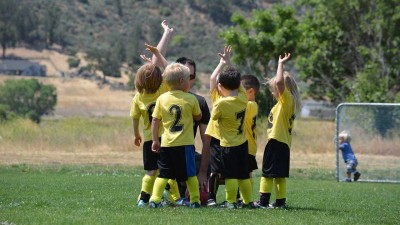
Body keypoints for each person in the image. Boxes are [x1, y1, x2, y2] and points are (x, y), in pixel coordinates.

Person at [131, 21, 181, 207]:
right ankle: (176, 198)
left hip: (147, 139)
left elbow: (135, 117)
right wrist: (161, 45)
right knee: (169, 170)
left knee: (150, 171)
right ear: (160, 79)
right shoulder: (163, 89)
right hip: (165, 138)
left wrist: (136, 134)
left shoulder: (139, 96)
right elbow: (167, 69)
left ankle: (143, 199)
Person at [206, 45, 255, 209]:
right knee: (243, 175)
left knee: (230, 176)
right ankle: (248, 202)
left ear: (220, 86)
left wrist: (223, 64)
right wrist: (227, 63)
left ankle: (230, 202)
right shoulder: (243, 97)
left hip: (227, 145)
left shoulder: (219, 103)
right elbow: (236, 83)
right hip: (243, 143)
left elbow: (214, 117)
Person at [149, 63, 202, 208]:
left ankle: (154, 200)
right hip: (185, 145)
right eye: (188, 79)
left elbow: (155, 120)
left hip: (167, 144)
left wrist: (155, 140)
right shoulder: (191, 99)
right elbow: (198, 117)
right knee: (190, 174)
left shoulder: (162, 99)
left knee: (164, 174)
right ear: (181, 82)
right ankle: (195, 200)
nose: (189, 82)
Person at [257, 53, 301, 209]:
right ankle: (280, 203)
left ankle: (262, 202)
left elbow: (280, 82)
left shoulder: (286, 100)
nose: (272, 92)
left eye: (273, 89)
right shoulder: (284, 104)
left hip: (276, 143)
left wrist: (280, 64)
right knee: (279, 175)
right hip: (283, 144)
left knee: (267, 174)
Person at [236, 74, 260, 205]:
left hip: (248, 147)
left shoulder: (250, 105)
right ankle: (245, 198)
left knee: (247, 173)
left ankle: (248, 199)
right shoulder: (251, 104)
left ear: (250, 91)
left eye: (241, 91)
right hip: (248, 146)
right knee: (245, 173)